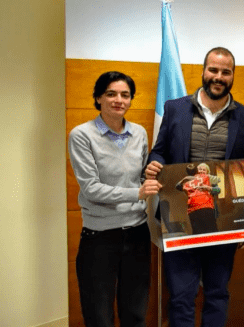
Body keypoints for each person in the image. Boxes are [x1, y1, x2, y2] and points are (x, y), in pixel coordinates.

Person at [145, 47, 244, 327]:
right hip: (180, 218)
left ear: (233, 75)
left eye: (226, 72)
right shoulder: (175, 108)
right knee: (181, 297)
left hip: (224, 221)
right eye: (214, 70)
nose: (218, 77)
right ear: (203, 70)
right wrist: (153, 164)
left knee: (217, 293)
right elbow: (160, 151)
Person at [69, 71, 162, 327]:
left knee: (135, 312)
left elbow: (142, 176)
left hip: (137, 233)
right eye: (111, 94)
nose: (118, 100)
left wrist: (152, 180)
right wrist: (138, 193)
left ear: (131, 100)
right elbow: (91, 189)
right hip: (100, 237)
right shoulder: (81, 135)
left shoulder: (140, 133)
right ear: (98, 98)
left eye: (125, 95)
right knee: (99, 314)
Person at [176, 163, 221, 235]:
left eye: (204, 170)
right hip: (194, 210)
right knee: (198, 232)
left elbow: (218, 190)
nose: (201, 171)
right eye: (200, 169)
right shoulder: (189, 181)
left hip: (207, 208)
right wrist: (184, 179)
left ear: (207, 172)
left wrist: (208, 188)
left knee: (211, 231)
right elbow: (178, 186)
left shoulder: (209, 178)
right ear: (196, 170)